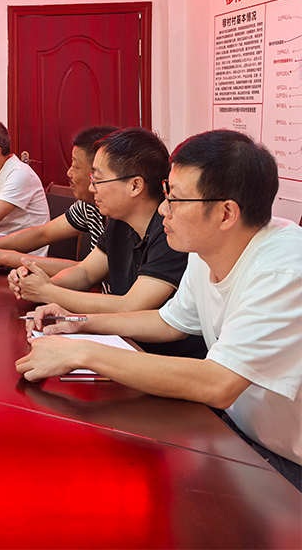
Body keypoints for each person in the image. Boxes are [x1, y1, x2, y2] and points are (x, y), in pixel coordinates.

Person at [16, 130, 301, 490]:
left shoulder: (282, 270)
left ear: (226, 213)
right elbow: (168, 321)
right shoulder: (205, 249)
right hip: (239, 430)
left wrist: (82, 353)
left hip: (286, 459)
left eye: (176, 199)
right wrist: (78, 323)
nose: (164, 208)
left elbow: (218, 383)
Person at [8, 127, 203, 357]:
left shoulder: (170, 231)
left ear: (135, 186)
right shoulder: (120, 221)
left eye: (98, 179)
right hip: (125, 343)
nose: (92, 188)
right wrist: (38, 282)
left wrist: (47, 292)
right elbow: (85, 273)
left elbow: (132, 306)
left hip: (163, 357)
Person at [0, 125, 117, 284]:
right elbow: (42, 233)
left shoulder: (122, 218)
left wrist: (6, 257)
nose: (69, 173)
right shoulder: (88, 206)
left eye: (75, 166)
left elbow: (87, 272)